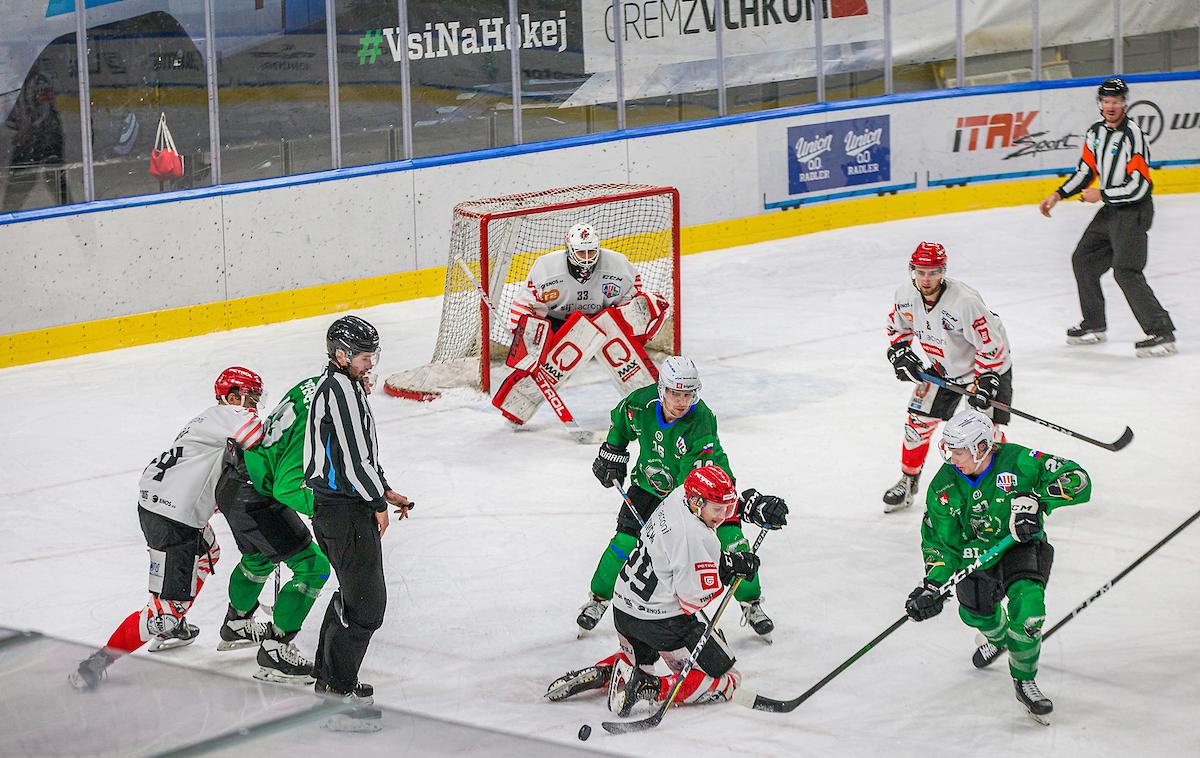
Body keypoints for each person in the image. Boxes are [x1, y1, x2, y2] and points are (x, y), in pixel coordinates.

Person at [69, 368, 265, 690]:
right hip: (174, 521)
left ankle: (170, 627)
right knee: (165, 611)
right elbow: (262, 437)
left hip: (159, 508)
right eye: (251, 398)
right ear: (232, 397)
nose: (254, 406)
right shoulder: (231, 415)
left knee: (209, 550)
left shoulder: (209, 419)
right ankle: (98, 662)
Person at [545, 467, 787, 713]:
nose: (723, 516)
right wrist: (728, 567)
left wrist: (749, 506)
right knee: (728, 680)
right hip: (661, 624)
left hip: (623, 609)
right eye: (718, 510)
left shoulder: (679, 494)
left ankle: (612, 670)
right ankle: (652, 686)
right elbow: (692, 601)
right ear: (697, 502)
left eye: (726, 508)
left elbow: (713, 506)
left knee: (642, 662)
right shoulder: (696, 538)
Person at [904, 409, 1092, 723]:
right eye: (949, 450)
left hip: (1019, 546)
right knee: (975, 615)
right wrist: (933, 586)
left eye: (959, 451)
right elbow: (939, 542)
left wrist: (1038, 500)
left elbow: (1079, 479)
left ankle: (1024, 679)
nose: (952, 457)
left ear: (980, 447)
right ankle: (1000, 637)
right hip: (973, 557)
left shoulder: (1019, 460)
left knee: (1030, 611)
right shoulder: (944, 486)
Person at [580, 356, 788, 639]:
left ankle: (751, 603)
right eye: (675, 393)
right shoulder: (640, 404)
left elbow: (690, 488)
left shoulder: (700, 420)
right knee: (624, 543)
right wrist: (612, 452)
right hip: (648, 487)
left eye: (688, 394)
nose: (681, 401)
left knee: (733, 541)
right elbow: (621, 426)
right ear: (661, 390)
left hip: (701, 489)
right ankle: (598, 599)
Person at [303, 315, 411, 711]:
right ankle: (335, 692)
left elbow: (362, 454)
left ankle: (330, 678)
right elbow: (350, 462)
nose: (370, 363)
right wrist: (377, 503)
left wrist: (383, 489)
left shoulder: (345, 386)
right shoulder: (340, 391)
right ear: (341, 354)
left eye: (372, 355)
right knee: (366, 606)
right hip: (341, 511)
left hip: (341, 508)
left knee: (353, 597)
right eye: (364, 356)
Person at [1038, 77, 1176, 358]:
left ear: (1125, 103)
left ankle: (1162, 333)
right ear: (1099, 103)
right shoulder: (1095, 133)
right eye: (1106, 101)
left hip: (1134, 210)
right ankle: (1094, 324)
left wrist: (1101, 195)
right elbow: (1085, 171)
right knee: (1084, 260)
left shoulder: (1133, 135)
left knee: (1126, 271)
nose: (1111, 106)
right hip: (1112, 210)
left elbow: (1139, 185)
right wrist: (1058, 195)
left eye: (1116, 101)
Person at [213, 374, 332, 684]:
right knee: (312, 566)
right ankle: (276, 651)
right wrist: (327, 510)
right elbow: (287, 488)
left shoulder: (308, 385)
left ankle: (236, 623)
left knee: (259, 558)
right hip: (257, 499)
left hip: (233, 484)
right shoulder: (318, 414)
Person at [493, 222, 671, 424]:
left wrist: (636, 328)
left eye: (591, 252)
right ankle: (517, 407)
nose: (587, 259)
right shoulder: (546, 269)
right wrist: (528, 343)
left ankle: (652, 404)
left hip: (605, 322)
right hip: (559, 326)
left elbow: (634, 296)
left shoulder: (618, 265)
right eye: (581, 253)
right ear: (569, 250)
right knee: (549, 363)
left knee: (651, 306)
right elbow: (525, 306)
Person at [883, 241, 1013, 513]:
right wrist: (899, 352)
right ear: (913, 271)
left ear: (943, 272)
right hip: (942, 369)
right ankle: (909, 481)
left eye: (932, 272)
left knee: (984, 435)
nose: (926, 279)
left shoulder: (964, 302)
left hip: (984, 370)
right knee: (916, 423)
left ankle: (996, 490)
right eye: (921, 272)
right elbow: (898, 328)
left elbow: (992, 345)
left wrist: (986, 380)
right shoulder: (905, 296)